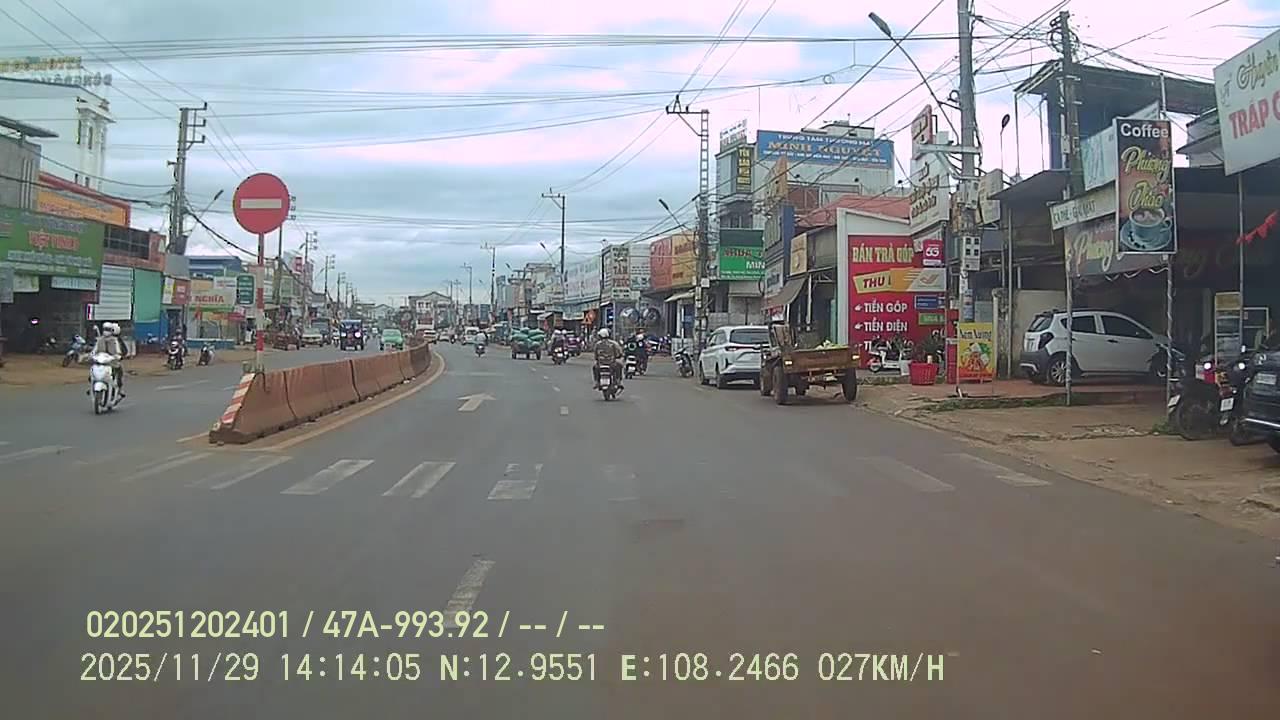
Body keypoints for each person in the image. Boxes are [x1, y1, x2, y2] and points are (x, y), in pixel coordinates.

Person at [92, 322, 126, 397]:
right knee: (93, 371)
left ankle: (118, 389)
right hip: (100, 362)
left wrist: (118, 356)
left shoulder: (115, 340)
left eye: (108, 329)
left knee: (118, 372)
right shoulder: (99, 340)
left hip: (112, 362)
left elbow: (119, 350)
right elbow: (94, 350)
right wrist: (91, 355)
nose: (106, 331)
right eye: (105, 329)